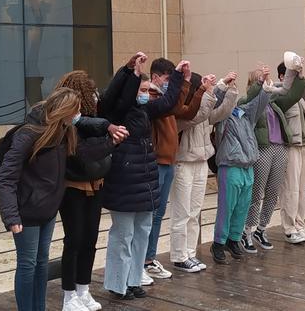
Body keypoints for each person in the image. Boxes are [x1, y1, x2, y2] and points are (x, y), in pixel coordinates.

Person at [98, 54, 186, 300]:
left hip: (145, 180)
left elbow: (168, 102)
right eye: (142, 88)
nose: (146, 92)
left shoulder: (145, 110)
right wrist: (130, 71)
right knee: (123, 235)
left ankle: (134, 279)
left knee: (142, 231)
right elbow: (116, 95)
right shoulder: (118, 110)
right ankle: (119, 283)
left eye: (148, 88)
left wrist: (177, 75)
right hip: (125, 181)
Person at [0, 87, 82, 311]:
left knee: (42, 262)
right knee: (27, 264)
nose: (78, 115)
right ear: (64, 111)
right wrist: (11, 216)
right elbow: (6, 177)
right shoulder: (29, 134)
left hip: (48, 210)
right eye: (75, 110)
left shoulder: (64, 132)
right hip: (27, 212)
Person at [54, 71, 128, 311]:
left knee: (90, 240)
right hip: (74, 186)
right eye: (91, 92)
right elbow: (80, 154)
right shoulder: (68, 122)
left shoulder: (93, 120)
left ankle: (83, 289)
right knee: (74, 240)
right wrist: (108, 143)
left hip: (96, 183)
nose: (95, 97)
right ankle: (69, 295)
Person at [168, 71, 238, 272]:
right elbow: (196, 117)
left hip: (200, 162)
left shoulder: (203, 108)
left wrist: (229, 89)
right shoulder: (181, 111)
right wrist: (214, 90)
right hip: (183, 163)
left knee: (194, 211)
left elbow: (221, 112)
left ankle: (190, 252)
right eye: (202, 86)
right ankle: (179, 256)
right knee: (181, 213)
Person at [143, 58, 204, 281]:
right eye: (168, 79)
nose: (170, 84)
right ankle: (145, 260)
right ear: (156, 77)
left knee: (158, 213)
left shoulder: (166, 99)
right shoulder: (152, 97)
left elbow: (182, 109)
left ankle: (149, 258)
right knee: (150, 214)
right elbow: (172, 103)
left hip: (168, 160)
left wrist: (192, 86)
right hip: (157, 160)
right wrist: (182, 80)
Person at [241, 55, 304, 253]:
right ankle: (247, 230)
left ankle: (261, 228)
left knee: (273, 192)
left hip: (280, 147)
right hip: (263, 149)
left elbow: (293, 94)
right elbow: (251, 98)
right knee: (256, 192)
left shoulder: (274, 102)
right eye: (262, 79)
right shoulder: (247, 101)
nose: (267, 82)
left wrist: (299, 75)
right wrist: (260, 84)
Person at [210, 65, 272, 264]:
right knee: (226, 208)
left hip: (248, 167)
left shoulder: (246, 114)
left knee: (242, 207)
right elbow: (216, 102)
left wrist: (263, 82)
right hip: (230, 165)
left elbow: (260, 101)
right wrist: (223, 85)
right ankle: (218, 243)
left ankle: (234, 239)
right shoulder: (222, 117)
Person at [277, 58, 305, 244]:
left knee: (303, 190)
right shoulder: (279, 95)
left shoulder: (300, 95)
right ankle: (289, 228)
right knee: (290, 190)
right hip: (291, 147)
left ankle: (300, 226)